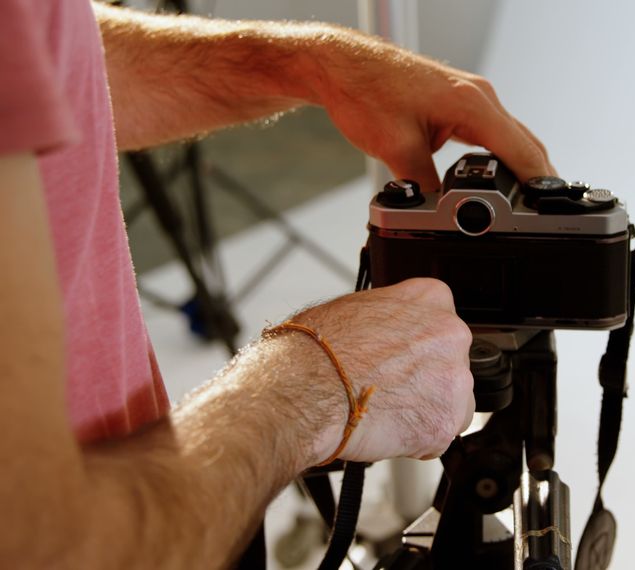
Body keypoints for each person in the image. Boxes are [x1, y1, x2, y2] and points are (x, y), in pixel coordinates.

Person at [0, 0, 553, 567]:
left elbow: (50, 50)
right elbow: (45, 547)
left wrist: (316, 65)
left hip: (179, 504)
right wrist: (317, 384)